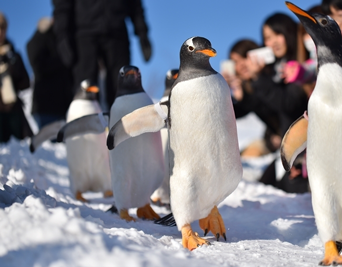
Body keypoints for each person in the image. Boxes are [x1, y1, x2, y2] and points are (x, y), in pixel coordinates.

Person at [52, 0, 152, 110]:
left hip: (116, 31)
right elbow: (62, 3)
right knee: (86, 87)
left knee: (121, 85)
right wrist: (62, 34)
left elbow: (134, 3)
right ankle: (87, 124)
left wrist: (142, 32)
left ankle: (120, 124)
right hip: (83, 33)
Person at [27, 17, 73, 129]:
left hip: (63, 106)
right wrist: (61, 61)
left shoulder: (62, 40)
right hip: (45, 106)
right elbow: (38, 65)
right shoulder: (41, 38)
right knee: (48, 144)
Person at [0, 12, 32, 143]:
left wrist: (13, 69)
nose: (0, 32)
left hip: (13, 110)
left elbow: (25, 83)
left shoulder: (14, 55)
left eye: (2, 28)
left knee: (18, 149)